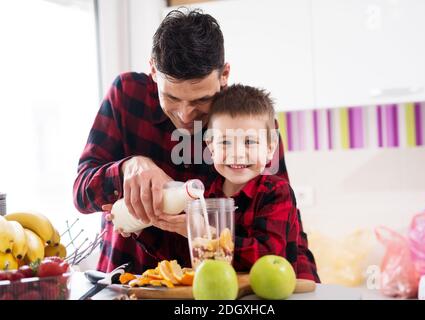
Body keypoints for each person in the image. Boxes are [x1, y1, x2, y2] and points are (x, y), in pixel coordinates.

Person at [73, 9, 289, 273]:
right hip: (125, 278)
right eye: (172, 98)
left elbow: (282, 224)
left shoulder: (244, 121)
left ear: (224, 75)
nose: (186, 115)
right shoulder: (127, 95)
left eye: (201, 100)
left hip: (207, 285)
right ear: (153, 69)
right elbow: (81, 194)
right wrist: (128, 168)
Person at [204, 84, 319, 281]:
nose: (237, 153)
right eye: (225, 142)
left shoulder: (276, 192)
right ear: (210, 146)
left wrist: (205, 239)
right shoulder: (207, 197)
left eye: (249, 142)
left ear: (270, 148)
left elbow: (267, 256)